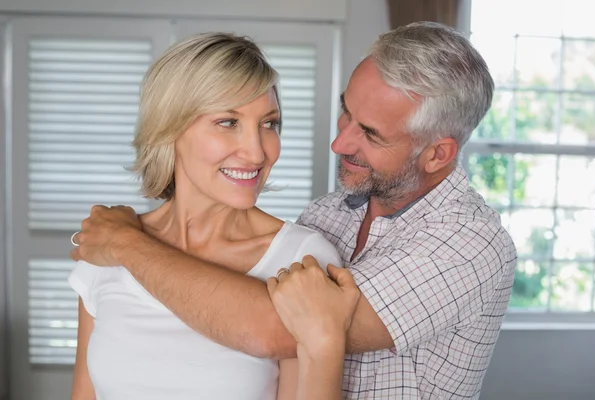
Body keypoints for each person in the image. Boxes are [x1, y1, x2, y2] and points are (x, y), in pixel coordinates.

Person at [71, 21, 518, 399]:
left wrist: (128, 245)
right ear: (167, 127)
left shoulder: (470, 245)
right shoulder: (329, 215)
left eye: (370, 133)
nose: (338, 143)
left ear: (437, 155)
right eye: (346, 113)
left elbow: (273, 330)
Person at [68, 32, 355, 400]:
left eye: (269, 124)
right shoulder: (105, 248)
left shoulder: (299, 259)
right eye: (228, 122)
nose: (256, 153)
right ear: (169, 128)